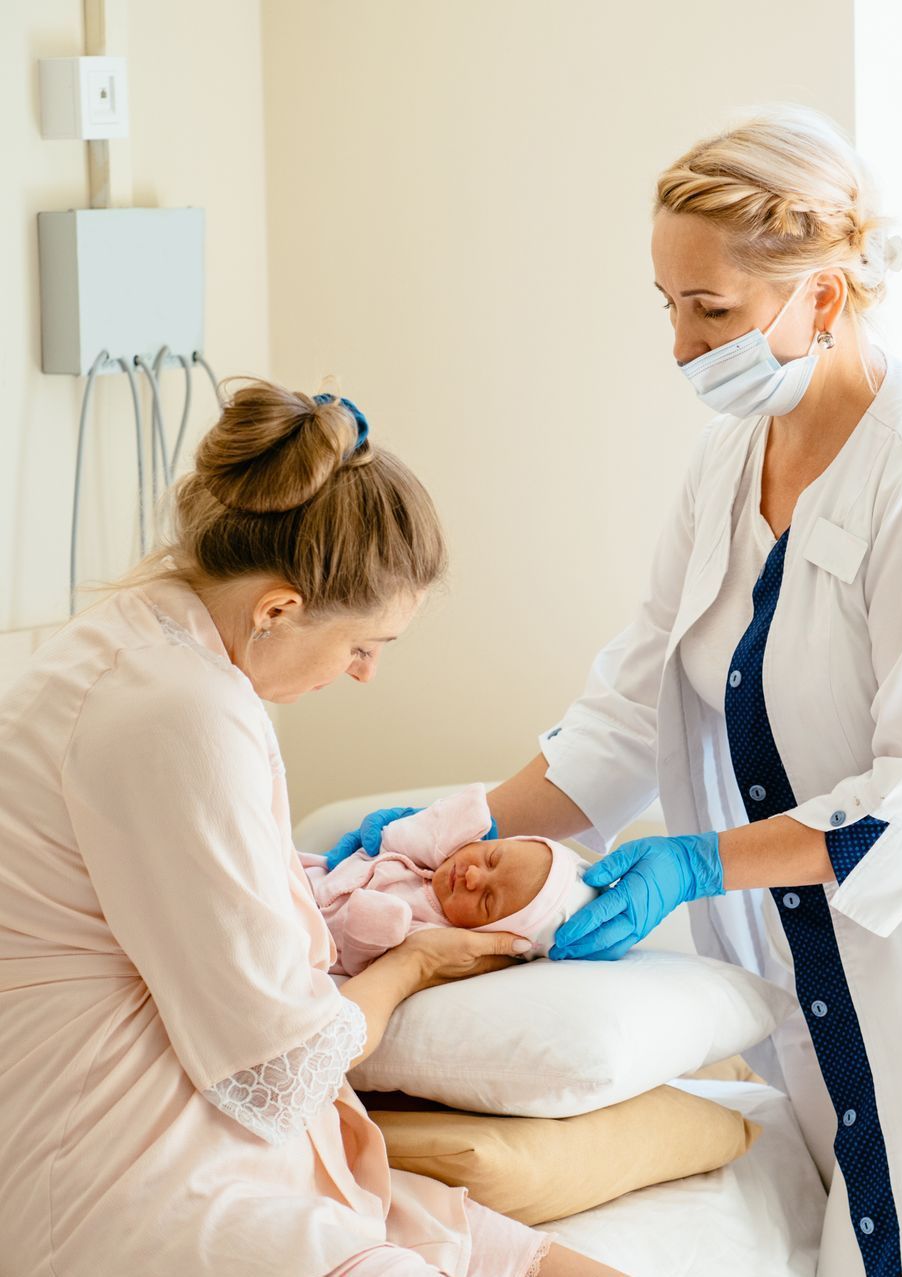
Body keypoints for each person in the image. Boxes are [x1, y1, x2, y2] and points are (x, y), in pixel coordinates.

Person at [334, 105, 902, 1276]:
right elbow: (627, 710)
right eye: (668, 304)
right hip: (825, 979)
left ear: (822, 298)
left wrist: (696, 858)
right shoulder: (728, 465)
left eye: (710, 309)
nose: (680, 346)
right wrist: (458, 824)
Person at [0, 381, 626, 1277]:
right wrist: (415, 962)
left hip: (181, 1126)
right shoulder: (176, 708)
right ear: (279, 610)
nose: (365, 672)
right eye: (363, 646)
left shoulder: (151, 654)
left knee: (527, 1257)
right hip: (116, 1158)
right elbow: (278, 1072)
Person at [301, 784, 597, 974]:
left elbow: (358, 963)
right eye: (492, 858)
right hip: (301, 878)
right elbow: (437, 821)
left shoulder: (429, 930)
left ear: (488, 932)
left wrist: (372, 930)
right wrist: (417, 828)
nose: (472, 875)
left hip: (303, 934)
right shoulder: (435, 857)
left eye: (486, 900)